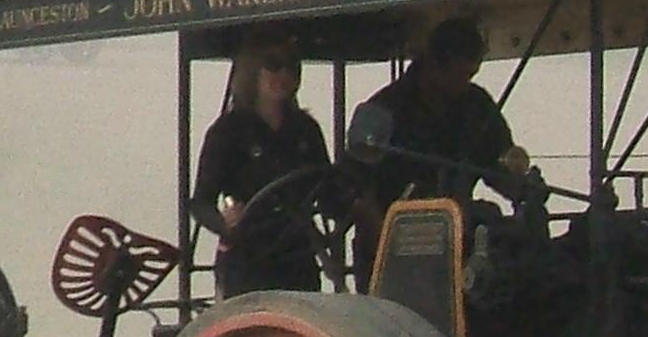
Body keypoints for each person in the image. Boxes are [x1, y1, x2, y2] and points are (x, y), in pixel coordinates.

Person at [344, 16, 529, 234]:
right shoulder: (382, 110)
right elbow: (353, 188)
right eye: (460, 76)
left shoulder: (477, 107)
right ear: (433, 64)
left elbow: (499, 165)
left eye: (470, 76)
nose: (464, 85)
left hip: (459, 233)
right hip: (395, 239)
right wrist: (383, 234)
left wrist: (523, 189)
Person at [191, 37, 334, 293]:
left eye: (292, 66)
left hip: (298, 255)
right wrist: (225, 223)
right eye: (274, 65)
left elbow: (328, 190)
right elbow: (200, 203)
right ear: (253, 70)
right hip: (248, 257)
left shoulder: (306, 129)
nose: (284, 74)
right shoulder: (228, 131)